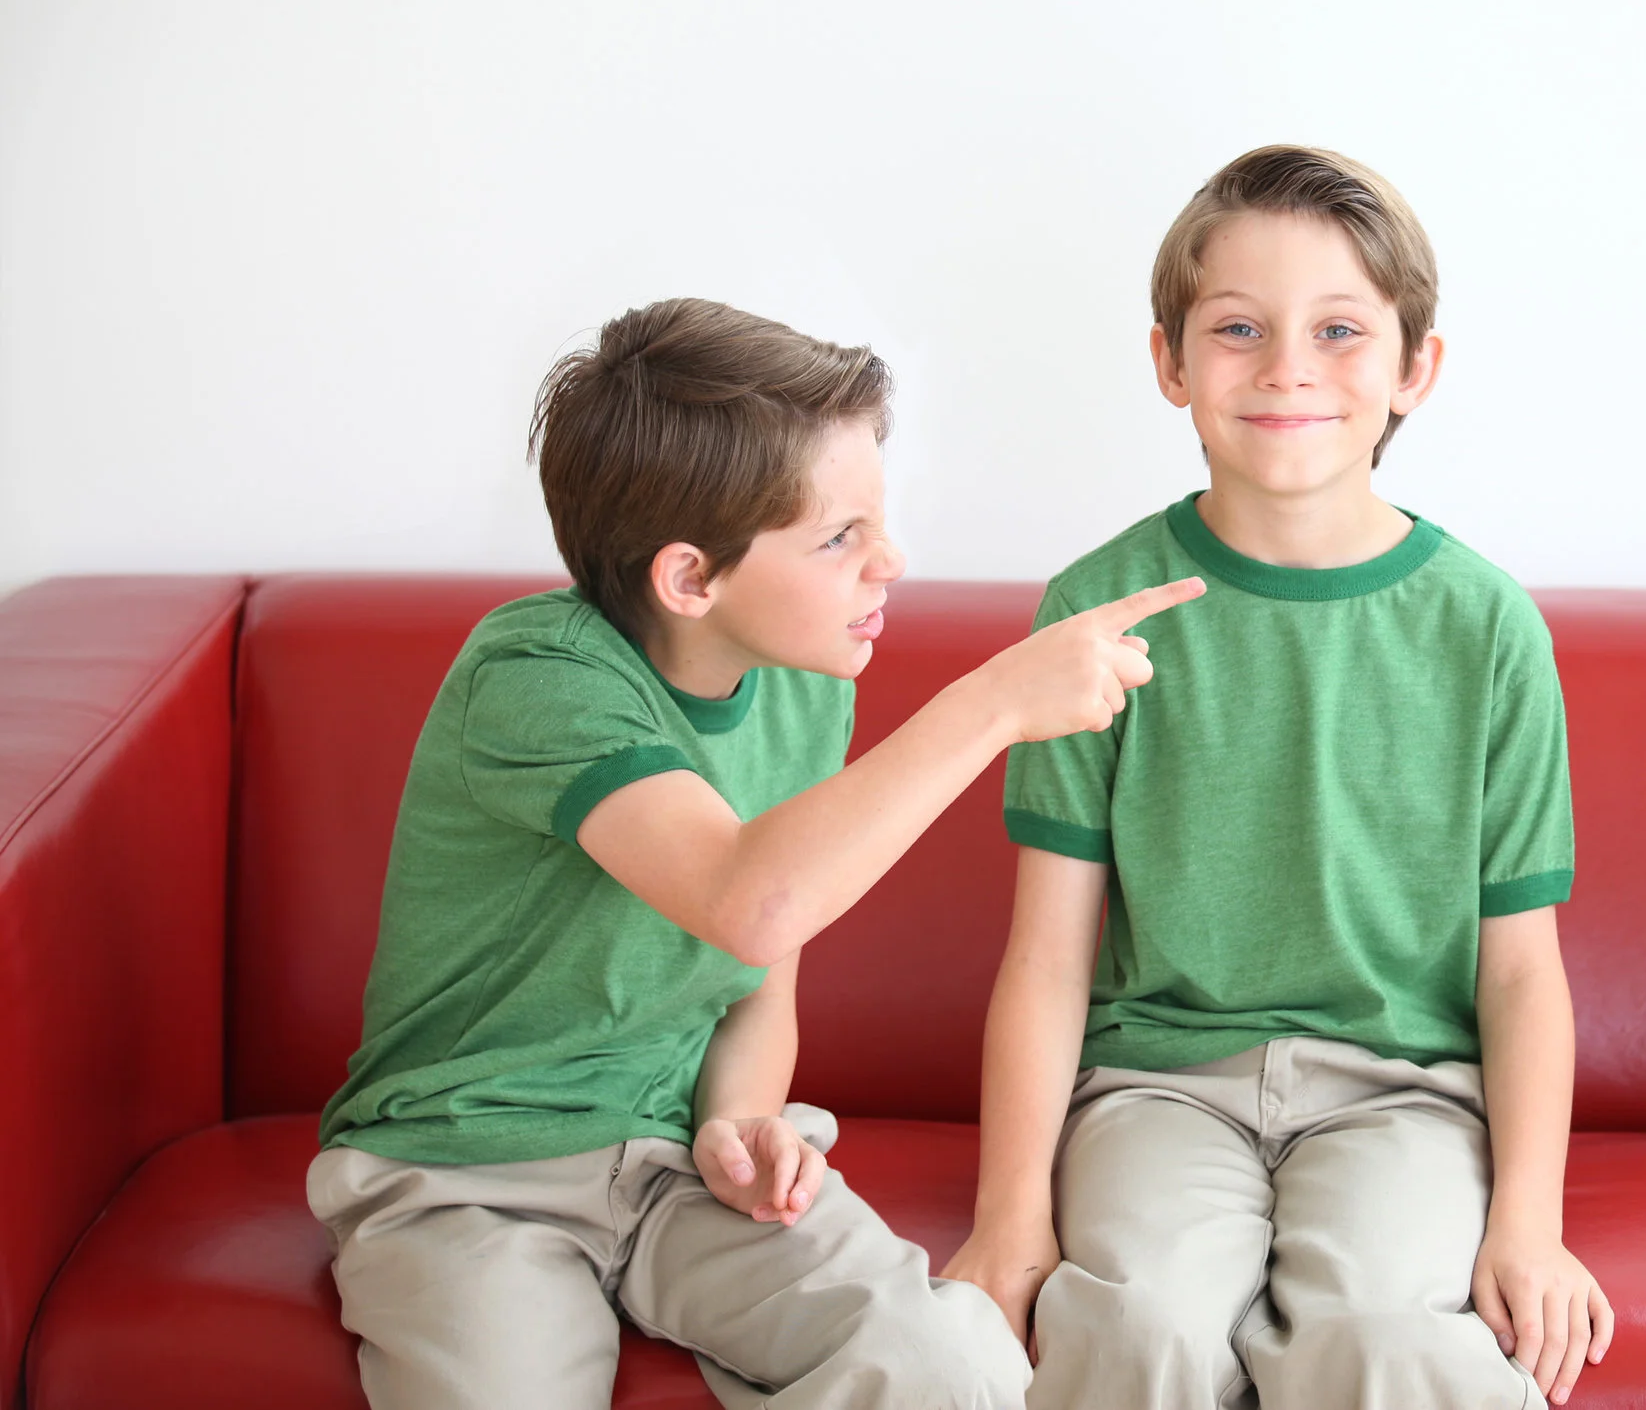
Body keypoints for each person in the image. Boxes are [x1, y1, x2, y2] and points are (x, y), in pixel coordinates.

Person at [312, 296, 1198, 1410]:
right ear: (691, 578)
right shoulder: (536, 675)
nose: (892, 560)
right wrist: (991, 705)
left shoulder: (799, 680)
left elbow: (760, 976)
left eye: (879, 519)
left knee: (955, 1365)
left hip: (678, 1161)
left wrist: (741, 1118)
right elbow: (749, 901)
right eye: (840, 537)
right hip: (471, 1171)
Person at [943, 145, 1611, 1409]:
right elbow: (1044, 956)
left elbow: (1520, 965)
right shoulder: (1096, 607)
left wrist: (1527, 1218)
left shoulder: (1487, 625)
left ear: (1417, 366)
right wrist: (1008, 1215)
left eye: (1340, 330)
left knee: (1377, 1335)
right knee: (1140, 1327)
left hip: (1404, 1095)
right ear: (1170, 363)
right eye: (1238, 327)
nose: (1288, 367)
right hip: (1155, 1084)